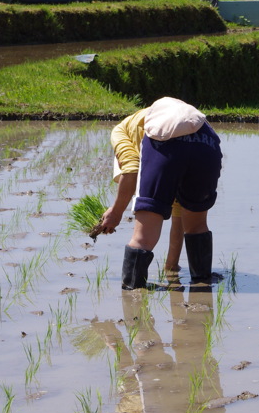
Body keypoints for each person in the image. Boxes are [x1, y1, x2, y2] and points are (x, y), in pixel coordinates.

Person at [95, 97, 222, 290]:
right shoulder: (171, 118)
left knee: (143, 236)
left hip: (166, 148)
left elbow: (130, 171)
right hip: (206, 145)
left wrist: (116, 211)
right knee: (196, 225)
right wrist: (171, 267)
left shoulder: (120, 132)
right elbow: (179, 216)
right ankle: (201, 282)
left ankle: (132, 290)